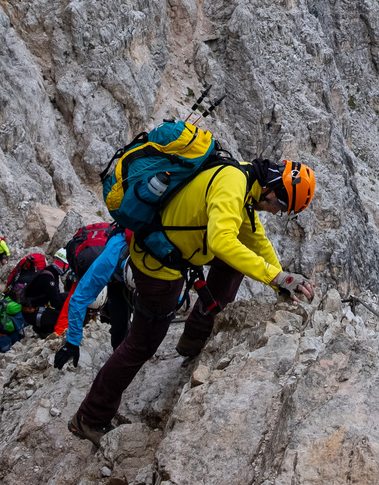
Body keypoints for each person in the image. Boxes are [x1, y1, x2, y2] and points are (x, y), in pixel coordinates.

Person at [63, 159, 317, 444]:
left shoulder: (244, 183)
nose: (275, 211)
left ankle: (194, 337)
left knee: (235, 262)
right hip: (157, 267)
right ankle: (89, 418)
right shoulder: (234, 184)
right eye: (280, 207)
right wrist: (275, 278)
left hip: (172, 253)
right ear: (272, 191)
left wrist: (281, 282)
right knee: (141, 344)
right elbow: (222, 242)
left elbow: (256, 240)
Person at [49, 222, 133, 364]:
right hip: (114, 269)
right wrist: (72, 343)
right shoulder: (107, 262)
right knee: (119, 325)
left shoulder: (153, 253)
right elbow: (77, 300)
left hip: (132, 268)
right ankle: (119, 353)